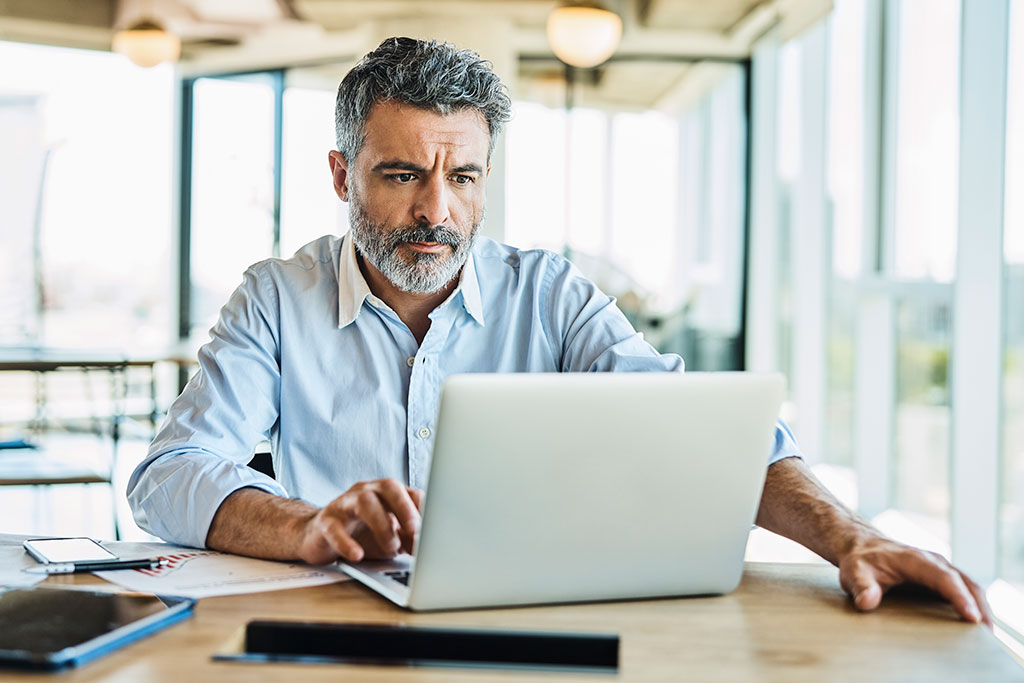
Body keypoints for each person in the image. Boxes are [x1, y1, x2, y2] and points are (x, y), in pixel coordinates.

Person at [128, 37, 991, 626]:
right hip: (333, 632)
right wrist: (309, 525)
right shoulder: (278, 297)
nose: (437, 209)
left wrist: (852, 535)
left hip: (535, 627)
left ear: (485, 174)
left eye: (462, 175)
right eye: (400, 174)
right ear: (339, 173)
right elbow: (168, 476)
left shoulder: (550, 294)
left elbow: (706, 435)